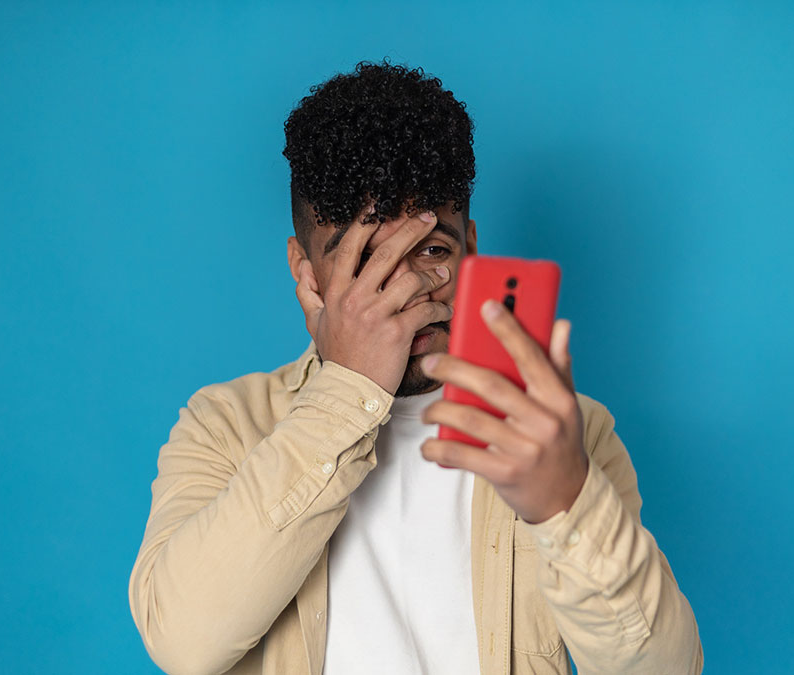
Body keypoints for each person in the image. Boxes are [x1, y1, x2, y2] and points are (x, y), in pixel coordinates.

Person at [128, 61, 703, 675]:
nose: (405, 292)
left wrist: (566, 503)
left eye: (431, 250)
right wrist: (348, 391)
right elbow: (183, 643)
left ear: (472, 250)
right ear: (305, 273)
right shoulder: (225, 425)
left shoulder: (565, 433)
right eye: (364, 262)